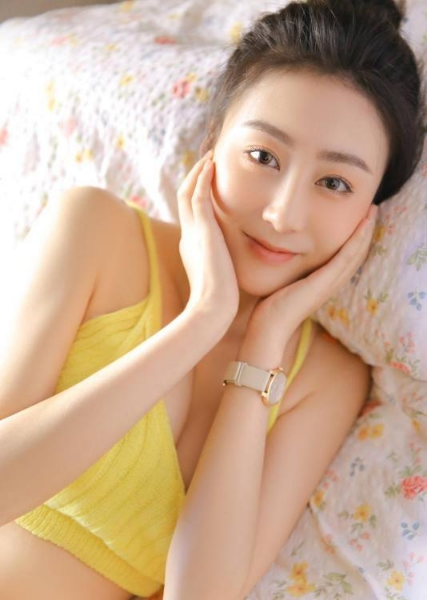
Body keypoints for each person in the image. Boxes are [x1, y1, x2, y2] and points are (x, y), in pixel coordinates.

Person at [0, 0, 425, 599]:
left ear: (370, 215)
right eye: (263, 157)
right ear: (212, 143)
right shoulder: (97, 231)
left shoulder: (324, 381)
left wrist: (264, 343)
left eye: (334, 183)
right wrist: (201, 321)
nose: (282, 213)